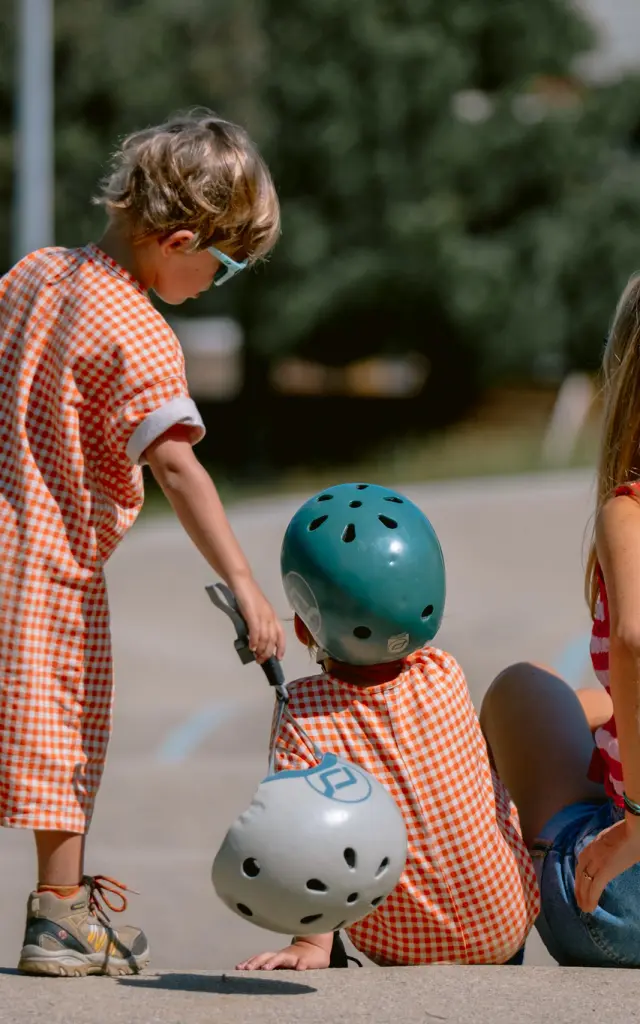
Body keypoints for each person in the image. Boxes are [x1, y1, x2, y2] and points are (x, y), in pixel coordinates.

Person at [0, 110, 285, 977]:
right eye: (226, 266)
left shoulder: (33, 273)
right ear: (181, 238)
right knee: (65, 736)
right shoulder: (142, 333)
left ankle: (64, 914)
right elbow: (175, 463)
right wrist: (245, 583)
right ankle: (60, 914)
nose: (221, 283)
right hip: (48, 566)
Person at [236, 483, 539, 971]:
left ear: (302, 627)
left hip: (404, 950)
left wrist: (311, 944)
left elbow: (307, 837)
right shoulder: (444, 674)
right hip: (506, 920)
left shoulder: (302, 715)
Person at [480, 273, 640, 967]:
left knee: (521, 692)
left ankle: (479, 921)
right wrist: (604, 706)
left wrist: (635, 822)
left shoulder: (629, 509)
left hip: (623, 901)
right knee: (561, 699)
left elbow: (636, 638)